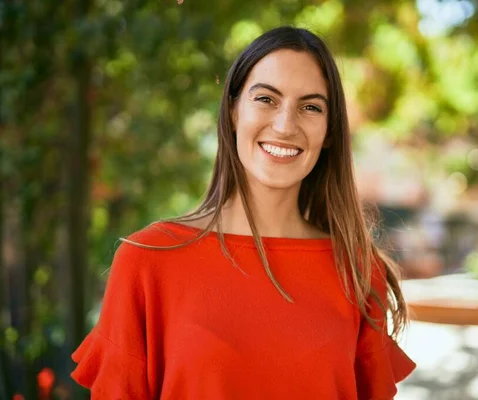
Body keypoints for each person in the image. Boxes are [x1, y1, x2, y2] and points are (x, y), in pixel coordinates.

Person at [71, 26, 415, 399]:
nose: (285, 125)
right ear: (234, 110)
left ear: (329, 132)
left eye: (311, 107)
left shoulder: (359, 269)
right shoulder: (147, 262)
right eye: (266, 99)